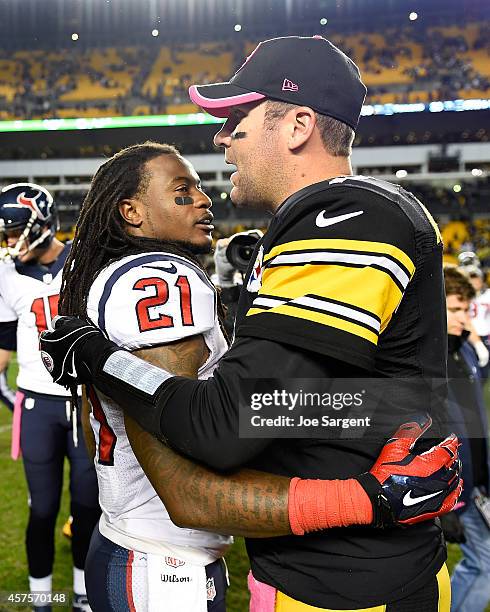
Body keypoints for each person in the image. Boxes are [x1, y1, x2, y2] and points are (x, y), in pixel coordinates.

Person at [41, 37, 460, 611]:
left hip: (349, 584)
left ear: (297, 126)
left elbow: (224, 425)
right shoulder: (319, 223)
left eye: (237, 121)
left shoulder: (349, 219)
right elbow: (308, 398)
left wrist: (97, 359)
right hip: (317, 566)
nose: (222, 138)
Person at [0, 183, 100, 612]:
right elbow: (3, 348)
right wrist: (22, 405)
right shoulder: (5, 274)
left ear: (41, 224)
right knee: (42, 511)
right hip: (38, 408)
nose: (7, 242)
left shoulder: (86, 259)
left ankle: (81, 595)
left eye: (13, 232)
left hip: (81, 405)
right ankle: (40, 599)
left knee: (87, 509)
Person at [440, 266, 490, 612]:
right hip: (453, 490)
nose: (464, 318)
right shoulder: (423, 359)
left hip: (476, 485)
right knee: (483, 564)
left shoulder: (463, 349)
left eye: (466, 310)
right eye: (455, 310)